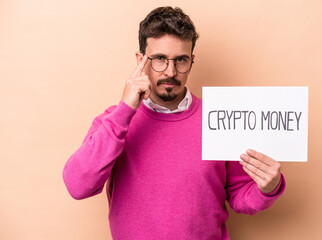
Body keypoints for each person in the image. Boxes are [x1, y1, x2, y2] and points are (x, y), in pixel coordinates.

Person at [63, 6, 285, 240]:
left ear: (191, 60)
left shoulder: (218, 119)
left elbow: (240, 195)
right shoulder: (114, 122)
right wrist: (125, 110)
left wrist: (268, 188)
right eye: (159, 59)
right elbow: (78, 186)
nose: (171, 71)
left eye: (181, 60)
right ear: (141, 60)